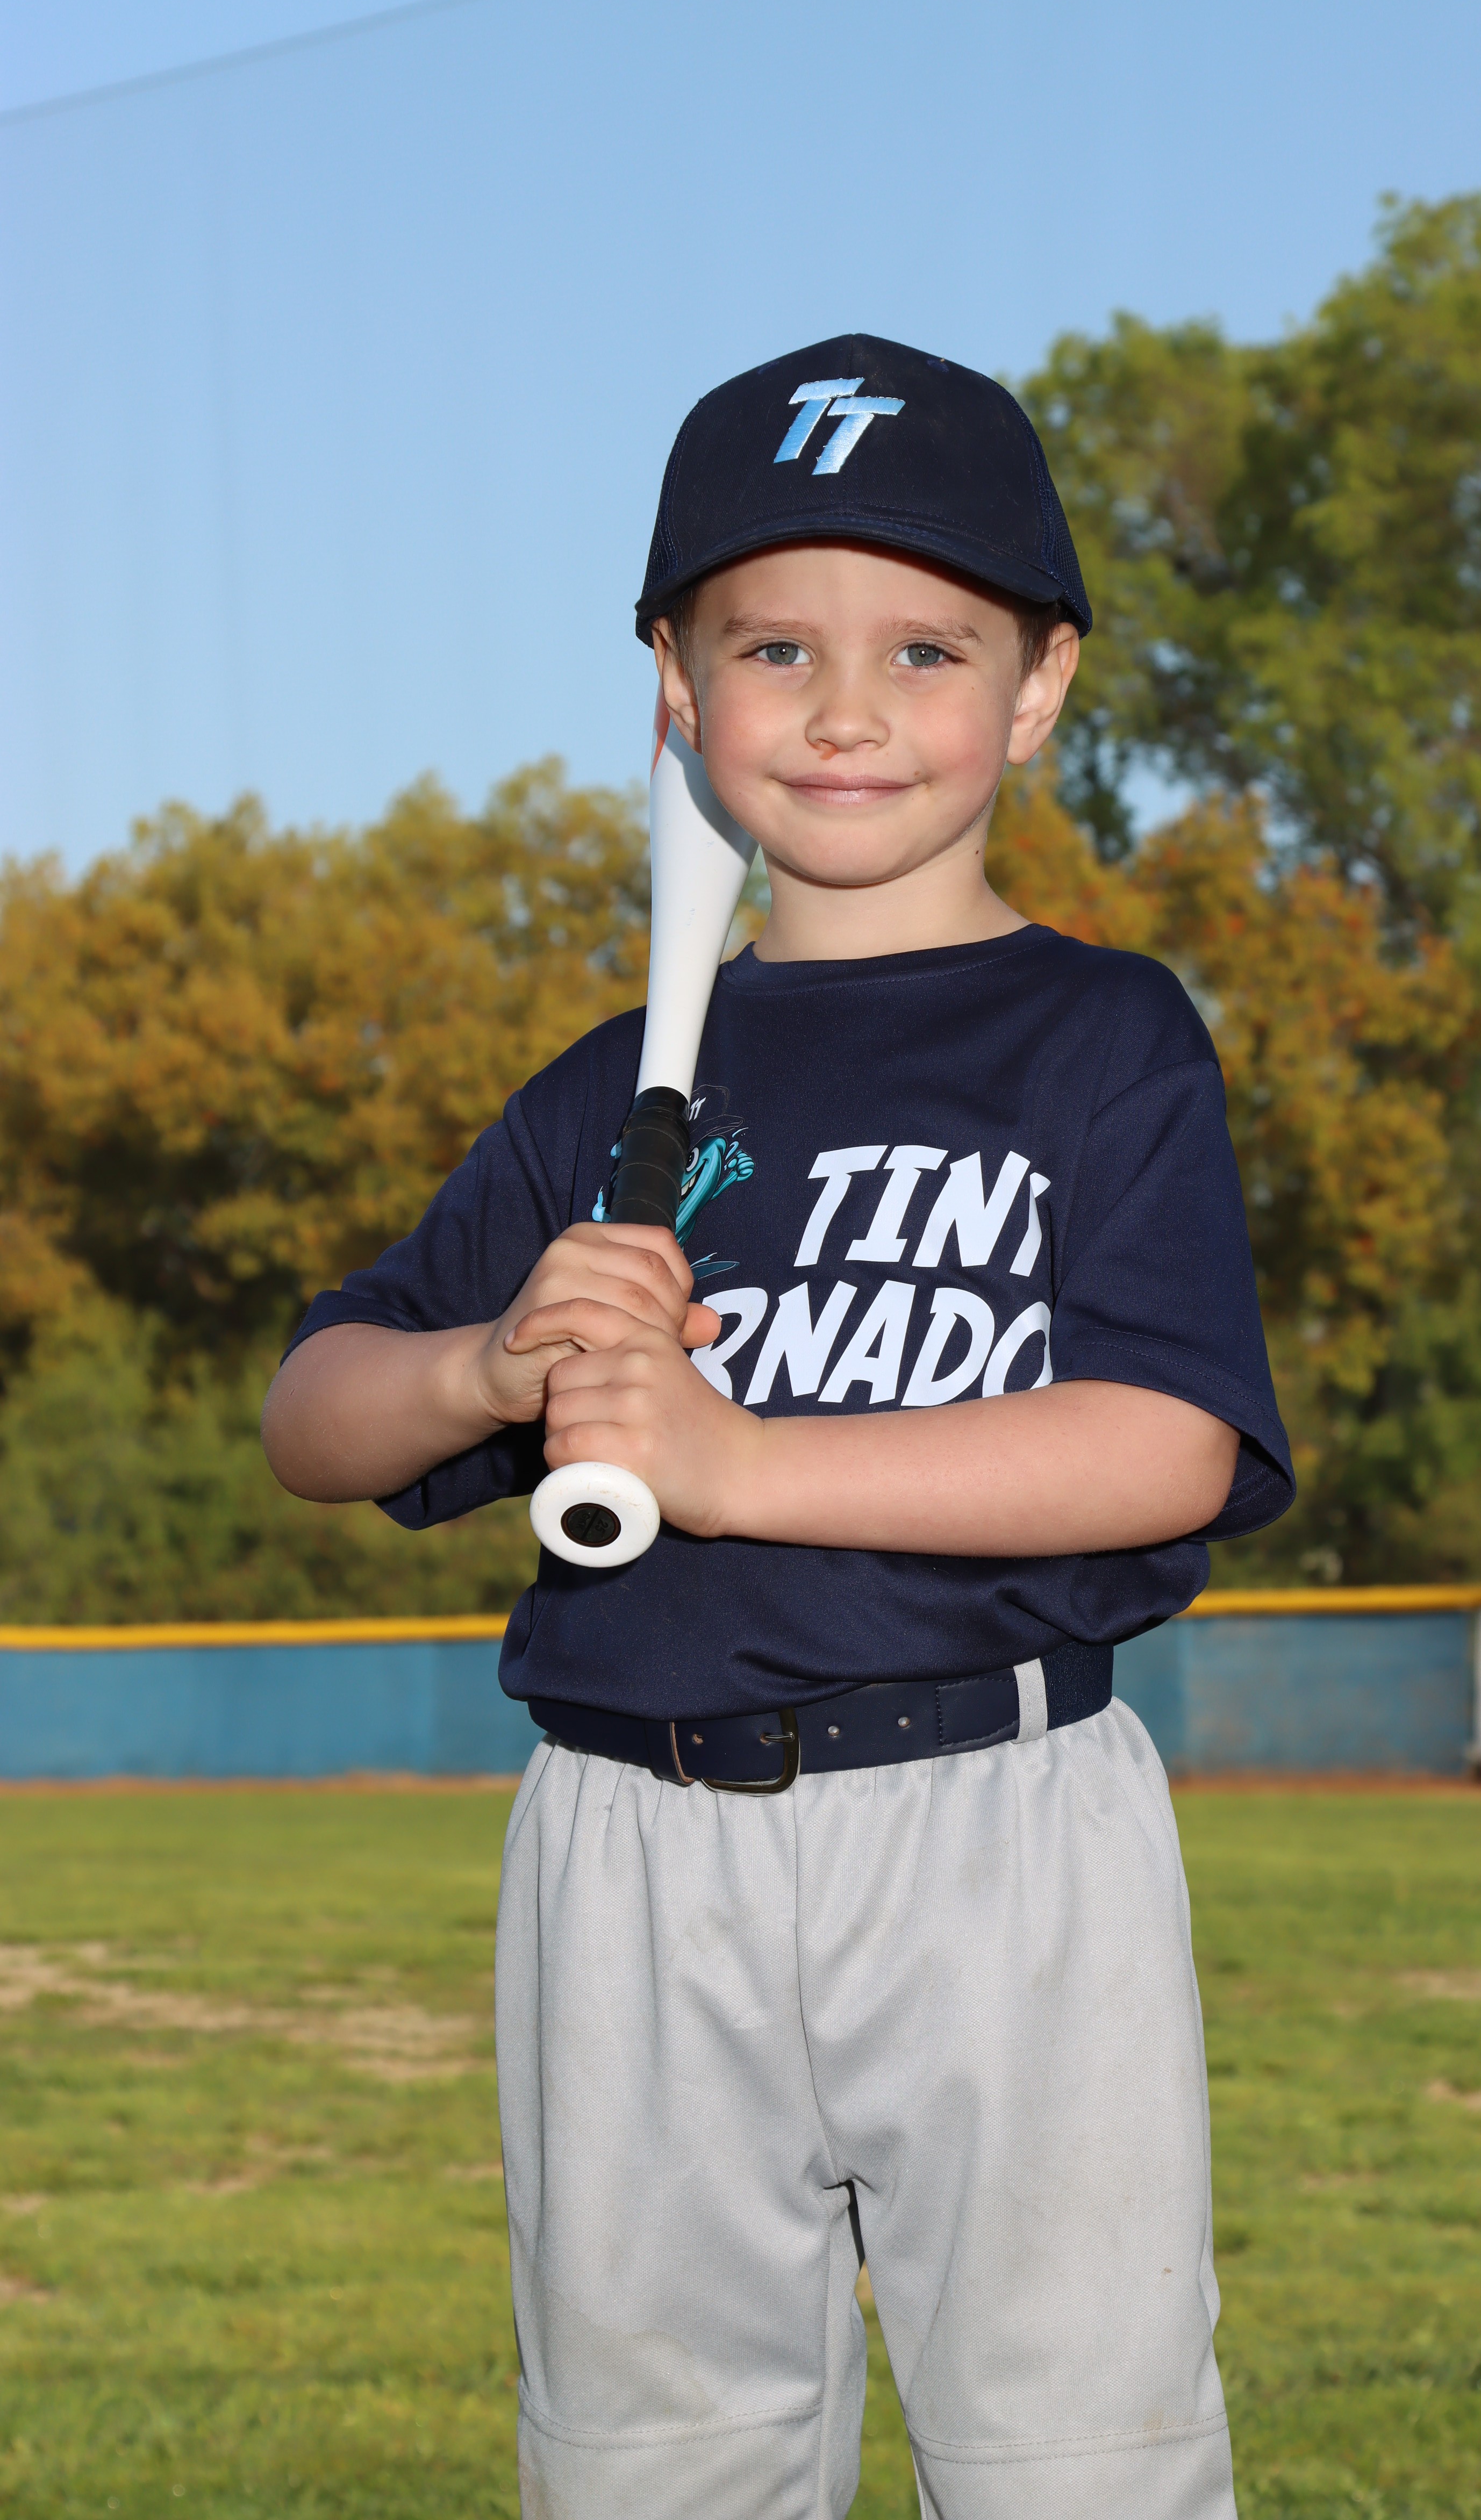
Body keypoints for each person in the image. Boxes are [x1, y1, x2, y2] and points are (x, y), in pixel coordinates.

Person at [262, 333, 1294, 2520]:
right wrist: (488, 1369)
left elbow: (1161, 1445)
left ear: (1037, 688)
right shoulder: (607, 1088)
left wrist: (737, 1466)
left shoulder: (1101, 1036)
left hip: (996, 1829)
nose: (844, 710)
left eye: (925, 648)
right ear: (673, 683)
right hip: (631, 1848)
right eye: (771, 647)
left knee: (1076, 2456)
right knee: (655, 2465)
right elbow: (314, 1416)